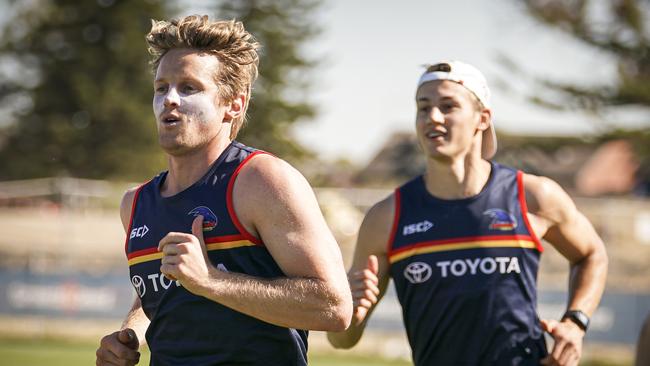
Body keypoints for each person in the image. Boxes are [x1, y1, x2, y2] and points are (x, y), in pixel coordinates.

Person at [95, 15, 352, 366]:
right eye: (161, 87)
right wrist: (128, 337)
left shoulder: (262, 180)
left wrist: (211, 281)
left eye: (189, 88)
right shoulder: (135, 203)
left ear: (234, 104)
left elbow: (333, 306)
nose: (170, 99)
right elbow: (160, 296)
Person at [327, 60, 608, 365]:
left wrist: (576, 322)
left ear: (483, 118)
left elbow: (592, 254)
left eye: (448, 106)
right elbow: (342, 340)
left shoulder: (532, 196)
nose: (433, 117)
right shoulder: (387, 216)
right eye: (423, 107)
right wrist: (351, 308)